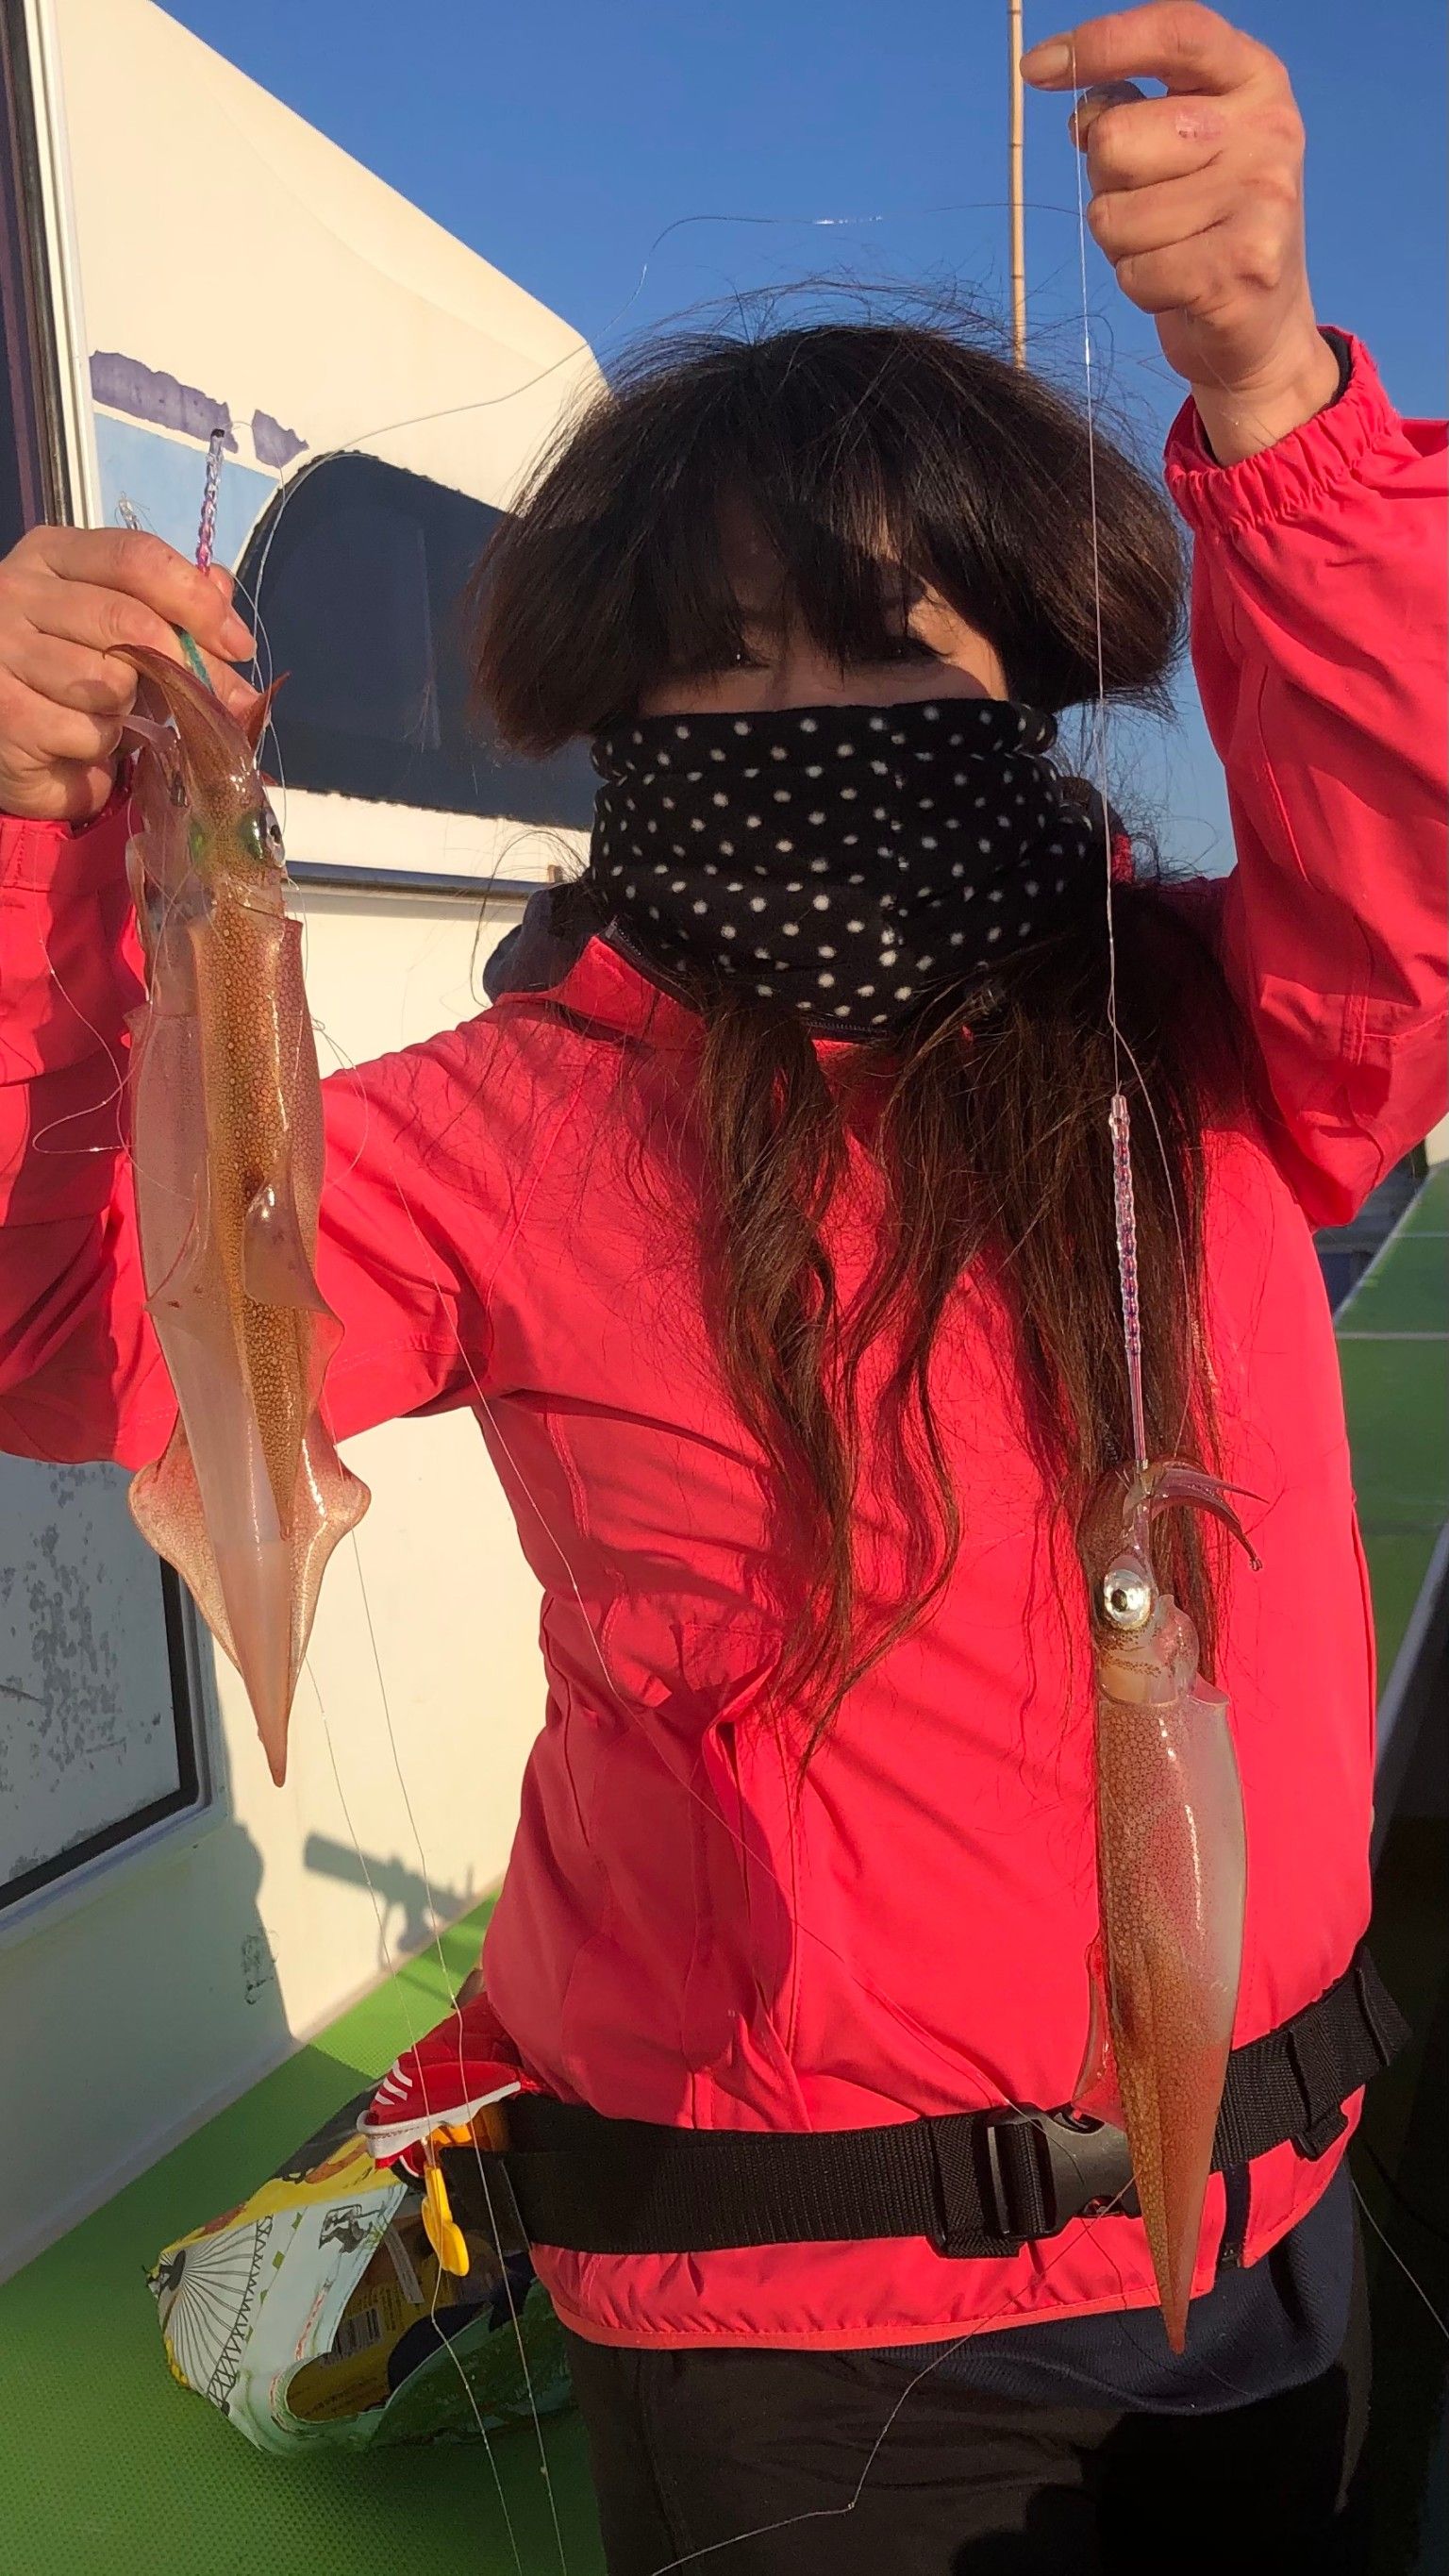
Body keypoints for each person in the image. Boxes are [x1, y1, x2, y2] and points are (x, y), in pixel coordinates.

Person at [0, 8, 1443, 2568]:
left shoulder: (1224, 1039)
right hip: (790, 2325)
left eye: (897, 648)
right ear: (615, 713)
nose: (814, 716)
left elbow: (1404, 864)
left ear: (1033, 678)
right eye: (724, 663)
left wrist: (1274, 400)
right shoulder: (489, 1129)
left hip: (1273, 2223)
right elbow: (82, 1336)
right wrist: (35, 846)